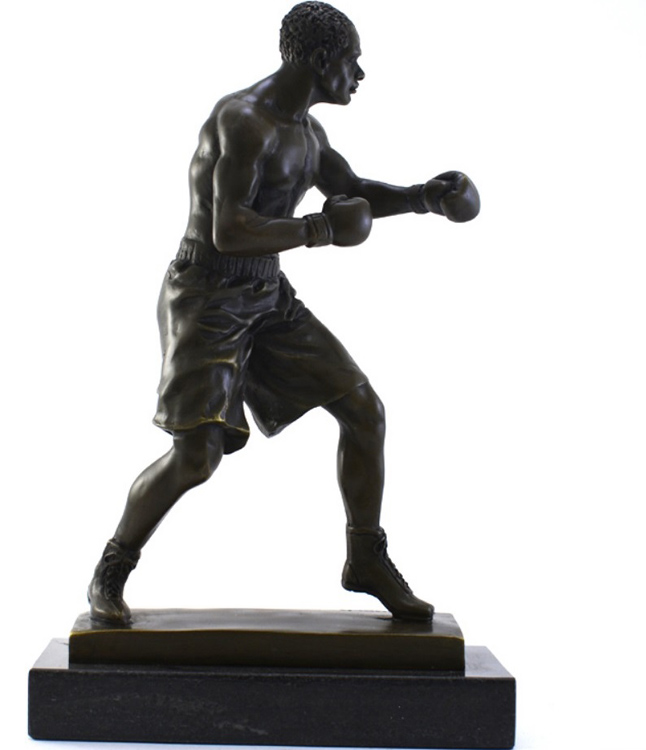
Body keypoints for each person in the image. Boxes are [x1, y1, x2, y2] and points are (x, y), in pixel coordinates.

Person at [88, 1, 479, 625]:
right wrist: (319, 230)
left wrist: (422, 198)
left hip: (267, 294)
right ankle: (111, 569)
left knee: (364, 410)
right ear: (322, 59)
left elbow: (353, 191)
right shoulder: (242, 120)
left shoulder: (308, 134)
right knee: (197, 457)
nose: (359, 74)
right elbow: (228, 229)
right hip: (206, 296)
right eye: (352, 61)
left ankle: (365, 557)